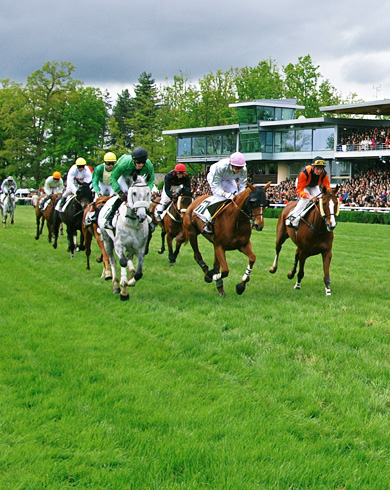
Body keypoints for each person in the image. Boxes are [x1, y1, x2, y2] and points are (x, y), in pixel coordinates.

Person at [104, 147, 155, 230]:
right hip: (124, 177)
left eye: (143, 163)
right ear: (133, 160)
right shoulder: (124, 163)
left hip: (137, 178)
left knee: (142, 196)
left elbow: (151, 181)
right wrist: (119, 192)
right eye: (138, 162)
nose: (141, 165)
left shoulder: (149, 165)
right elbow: (113, 178)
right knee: (124, 194)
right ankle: (109, 219)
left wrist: (147, 190)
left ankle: (149, 221)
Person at [196, 152, 247, 234]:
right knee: (219, 199)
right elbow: (215, 186)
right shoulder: (221, 167)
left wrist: (240, 196)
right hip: (214, 178)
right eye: (237, 167)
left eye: (240, 168)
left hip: (229, 179)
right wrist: (224, 194)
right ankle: (207, 222)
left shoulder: (243, 169)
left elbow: (242, 186)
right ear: (231, 165)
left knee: (236, 199)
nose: (238, 170)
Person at [285, 156, 331, 231]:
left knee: (319, 200)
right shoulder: (304, 173)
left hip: (314, 185)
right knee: (305, 199)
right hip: (302, 185)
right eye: (317, 168)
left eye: (321, 169)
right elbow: (300, 191)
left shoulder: (324, 174)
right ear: (313, 167)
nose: (319, 171)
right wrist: (309, 196)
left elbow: (327, 189)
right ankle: (292, 217)